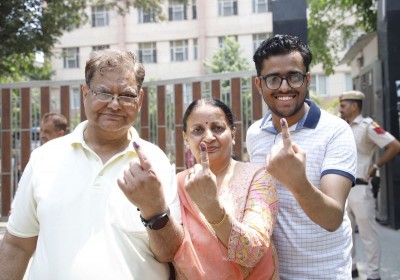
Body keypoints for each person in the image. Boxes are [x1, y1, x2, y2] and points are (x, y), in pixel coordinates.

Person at [0, 49, 183, 279]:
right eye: (103, 93)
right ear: (85, 93)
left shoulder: (156, 162)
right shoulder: (45, 158)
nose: (115, 104)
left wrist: (155, 210)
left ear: (140, 99)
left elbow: (169, 254)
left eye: (126, 95)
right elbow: (17, 245)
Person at [247, 34, 357, 279]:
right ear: (259, 84)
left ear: (307, 80)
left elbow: (332, 218)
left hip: (325, 273)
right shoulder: (255, 133)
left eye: (294, 76)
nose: (284, 87)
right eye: (273, 79)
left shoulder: (336, 131)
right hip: (270, 273)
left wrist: (297, 181)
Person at [173, 98, 279, 279]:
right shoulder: (177, 184)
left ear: (233, 133)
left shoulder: (257, 177)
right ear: (185, 138)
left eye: (217, 128)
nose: (208, 137)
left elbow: (253, 251)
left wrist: (212, 209)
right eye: (198, 130)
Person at [339, 90, 400, 280]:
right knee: (346, 234)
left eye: (343, 105)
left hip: (361, 188)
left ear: (354, 106)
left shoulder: (367, 126)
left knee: (368, 235)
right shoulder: (342, 127)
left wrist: (376, 165)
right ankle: (353, 269)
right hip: (343, 189)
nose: (340, 109)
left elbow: (395, 145)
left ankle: (374, 275)